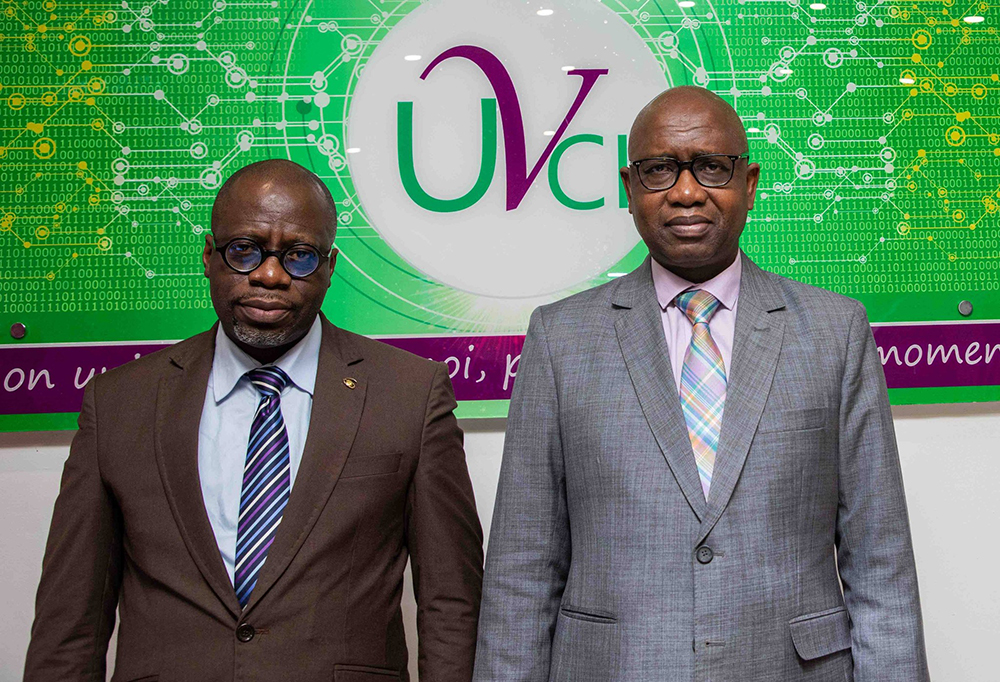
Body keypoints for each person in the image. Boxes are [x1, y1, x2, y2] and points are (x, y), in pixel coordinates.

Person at [473, 86, 928, 681]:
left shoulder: (834, 331)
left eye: (712, 167)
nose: (686, 192)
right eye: (659, 170)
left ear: (750, 184)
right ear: (629, 188)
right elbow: (522, 571)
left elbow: (880, 564)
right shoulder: (561, 339)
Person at [24, 159, 483, 682]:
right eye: (244, 250)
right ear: (208, 256)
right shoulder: (119, 403)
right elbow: (69, 622)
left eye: (299, 256)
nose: (270, 275)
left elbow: (452, 605)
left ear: (330, 267)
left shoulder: (410, 394)